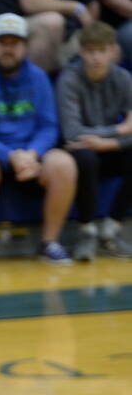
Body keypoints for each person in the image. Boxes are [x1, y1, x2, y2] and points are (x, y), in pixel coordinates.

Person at [0, 12, 78, 265]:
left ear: (24, 46)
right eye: (2, 42)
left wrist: (32, 154)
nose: (8, 49)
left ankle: (49, 242)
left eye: (14, 43)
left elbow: (49, 126)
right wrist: (10, 156)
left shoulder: (38, 77)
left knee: (63, 163)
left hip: (30, 156)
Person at [57, 21, 132, 261]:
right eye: (90, 51)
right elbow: (72, 133)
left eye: (102, 51)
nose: (96, 57)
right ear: (81, 51)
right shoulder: (69, 79)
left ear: (113, 51)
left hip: (106, 148)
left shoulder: (123, 78)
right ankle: (86, 232)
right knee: (86, 158)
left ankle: (112, 228)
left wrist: (109, 143)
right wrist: (120, 129)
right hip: (79, 150)